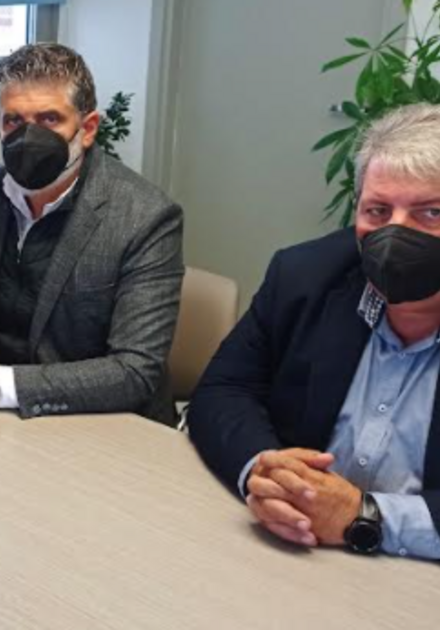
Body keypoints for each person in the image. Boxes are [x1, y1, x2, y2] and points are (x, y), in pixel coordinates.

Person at [0, 43, 184, 424]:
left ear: (88, 129)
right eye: (14, 121)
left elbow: (134, 370)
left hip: (102, 427)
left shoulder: (145, 216)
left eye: (50, 119)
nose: (29, 136)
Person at [188, 104, 440, 560]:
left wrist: (366, 517)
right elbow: (224, 390)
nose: (395, 233)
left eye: (431, 213)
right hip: (292, 553)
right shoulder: (305, 275)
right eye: (378, 210)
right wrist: (264, 472)